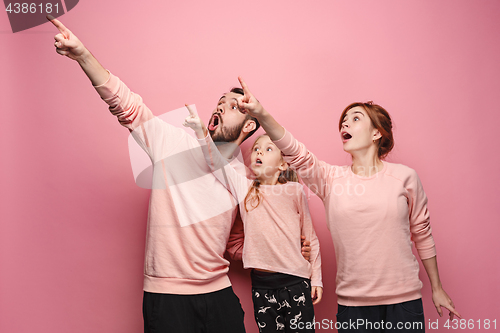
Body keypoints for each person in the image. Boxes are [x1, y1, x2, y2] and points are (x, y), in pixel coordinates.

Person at [47, 16, 312, 333]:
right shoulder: (172, 143)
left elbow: (238, 242)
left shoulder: (246, 181)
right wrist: (83, 55)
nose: (221, 107)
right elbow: (126, 104)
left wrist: (283, 250)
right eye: (220, 103)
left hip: (220, 297)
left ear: (250, 125)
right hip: (168, 297)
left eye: (233, 106)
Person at [234, 77, 461, 332]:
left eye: (355, 118)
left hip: (404, 302)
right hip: (353, 306)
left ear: (377, 133)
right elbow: (295, 152)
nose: (345, 122)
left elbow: (422, 233)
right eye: (344, 119)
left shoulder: (405, 177)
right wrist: (260, 113)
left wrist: (437, 288)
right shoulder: (330, 179)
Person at [184, 106, 323, 332]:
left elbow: (311, 238)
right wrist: (202, 133)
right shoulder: (244, 188)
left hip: (295, 281)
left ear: (282, 164)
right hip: (262, 285)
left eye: (268, 149)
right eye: (256, 148)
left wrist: (316, 279)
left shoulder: (295, 190)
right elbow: (217, 163)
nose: (259, 152)